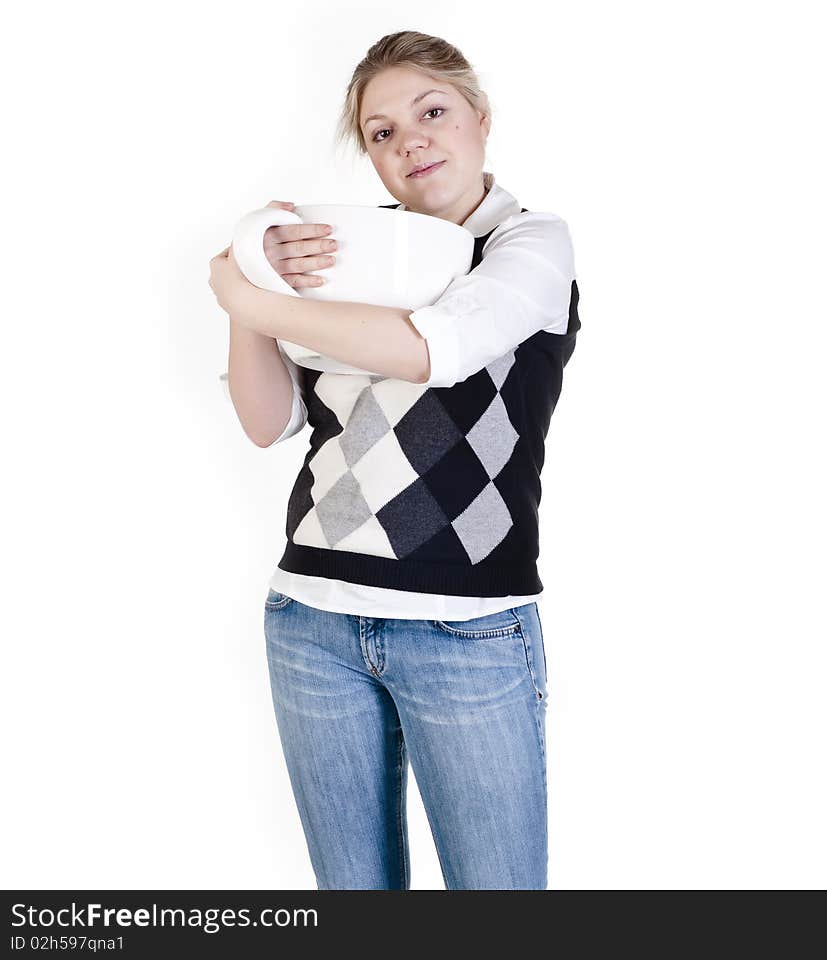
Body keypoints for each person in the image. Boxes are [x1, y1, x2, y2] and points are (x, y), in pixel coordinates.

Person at [208, 30, 580, 890]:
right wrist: (251, 283)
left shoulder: (531, 247)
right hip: (312, 620)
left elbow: (428, 349)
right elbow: (267, 422)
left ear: (480, 120)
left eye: (432, 111)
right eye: (381, 132)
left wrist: (246, 288)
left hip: (467, 629)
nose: (409, 139)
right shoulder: (349, 253)